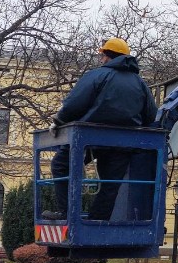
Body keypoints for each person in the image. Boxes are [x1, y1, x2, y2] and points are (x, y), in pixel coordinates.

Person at [43, 38, 158, 221]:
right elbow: (151, 115)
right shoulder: (140, 83)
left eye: (102, 55)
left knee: (61, 165)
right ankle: (98, 220)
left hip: (89, 138)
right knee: (110, 184)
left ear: (107, 56)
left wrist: (59, 120)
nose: (101, 59)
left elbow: (75, 103)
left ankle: (66, 212)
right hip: (124, 143)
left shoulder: (97, 75)